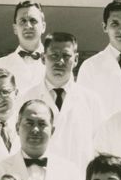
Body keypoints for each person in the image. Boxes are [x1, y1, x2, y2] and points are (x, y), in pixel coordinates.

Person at [22, 32, 103, 169]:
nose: (60, 61)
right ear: (43, 58)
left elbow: (101, 148)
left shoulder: (92, 101)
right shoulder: (27, 98)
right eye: (54, 55)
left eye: (66, 56)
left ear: (76, 59)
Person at [0, 1, 48, 92]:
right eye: (23, 21)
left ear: (43, 27)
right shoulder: (0, 65)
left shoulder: (55, 63)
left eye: (33, 21)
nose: (28, 26)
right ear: (15, 28)